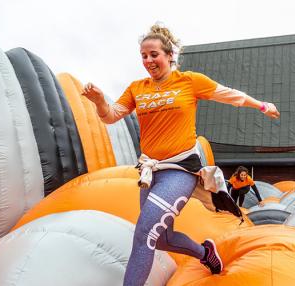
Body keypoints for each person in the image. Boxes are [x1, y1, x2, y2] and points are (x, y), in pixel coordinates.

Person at [82, 23, 280, 286]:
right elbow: (111, 116)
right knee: (163, 238)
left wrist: (263, 106)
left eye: (154, 55)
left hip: (180, 170)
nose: (148, 60)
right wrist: (99, 102)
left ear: (169, 56)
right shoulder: (137, 88)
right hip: (151, 172)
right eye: (143, 55)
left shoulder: (189, 82)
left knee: (144, 234)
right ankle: (205, 252)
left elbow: (230, 95)